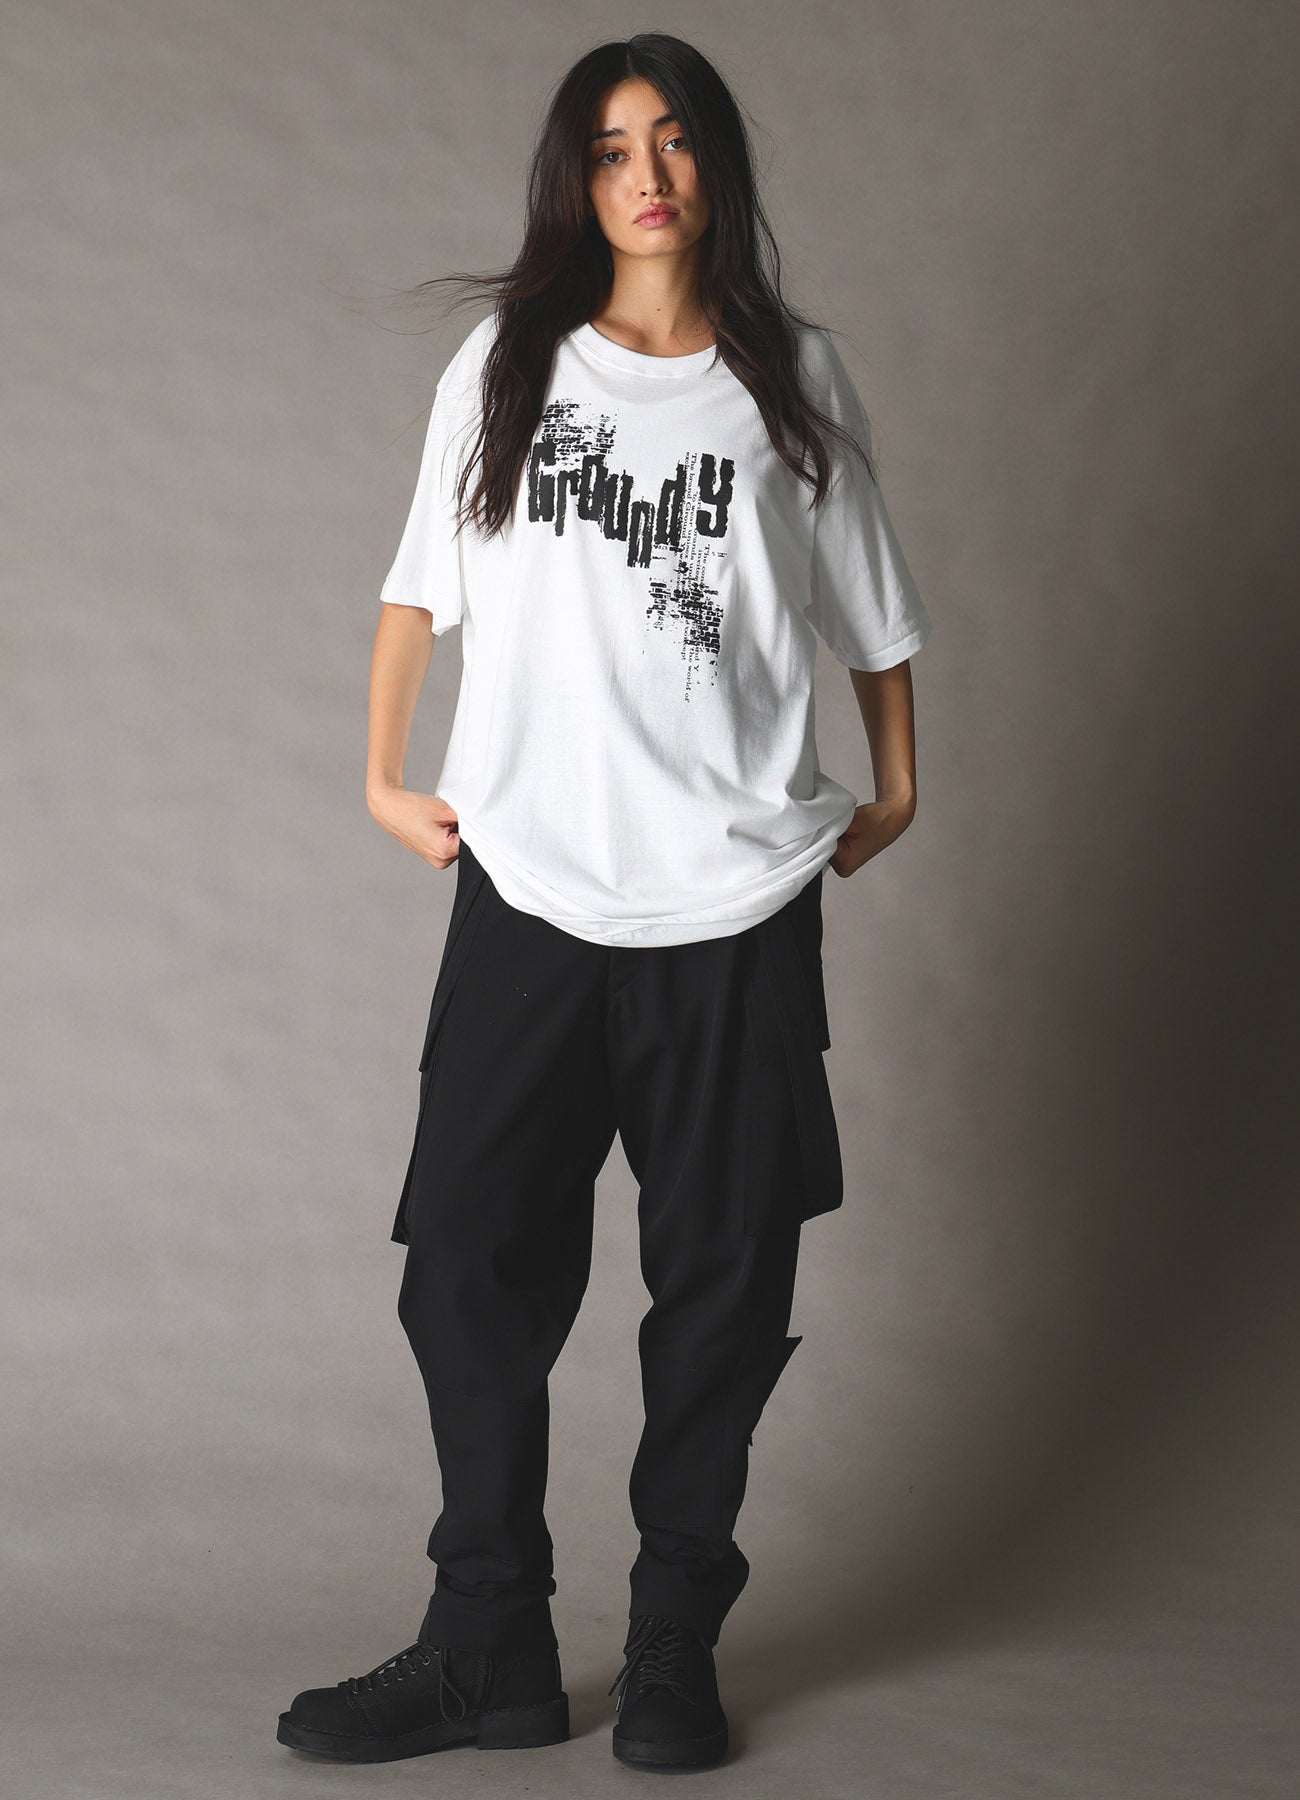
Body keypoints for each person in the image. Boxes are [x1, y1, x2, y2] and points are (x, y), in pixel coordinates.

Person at [277, 31, 932, 1774]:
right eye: (611, 147)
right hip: (533, 888)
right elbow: (417, 589)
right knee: (466, 1262)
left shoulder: (793, 376)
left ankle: (669, 1645)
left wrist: (901, 782)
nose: (646, 175)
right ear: (576, 178)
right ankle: (485, 1644)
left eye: (675, 140)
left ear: (717, 164)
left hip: (737, 902)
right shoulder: (508, 364)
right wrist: (380, 772)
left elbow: (871, 613)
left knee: (724, 1283)